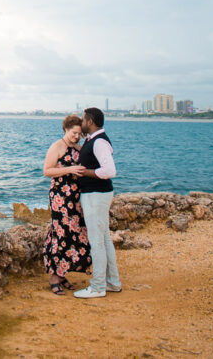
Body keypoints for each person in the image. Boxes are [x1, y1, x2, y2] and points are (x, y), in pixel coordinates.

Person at [73, 106, 122, 299]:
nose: (81, 123)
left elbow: (110, 171)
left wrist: (85, 173)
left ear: (90, 121)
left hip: (95, 195)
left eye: (83, 120)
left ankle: (98, 286)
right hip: (97, 194)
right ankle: (112, 282)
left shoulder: (99, 142)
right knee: (105, 239)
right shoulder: (93, 140)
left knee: (97, 242)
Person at [42, 114, 92, 295]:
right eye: (73, 132)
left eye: (79, 133)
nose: (76, 136)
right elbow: (47, 171)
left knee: (73, 233)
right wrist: (69, 169)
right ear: (65, 129)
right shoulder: (57, 146)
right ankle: (54, 276)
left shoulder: (78, 148)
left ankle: (63, 274)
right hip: (60, 196)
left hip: (76, 197)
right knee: (60, 233)